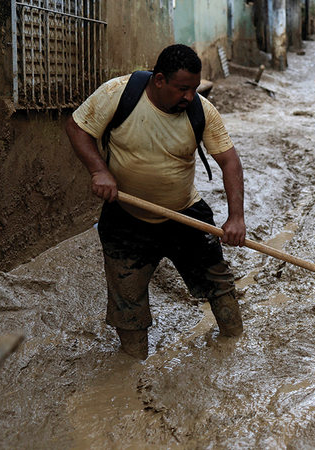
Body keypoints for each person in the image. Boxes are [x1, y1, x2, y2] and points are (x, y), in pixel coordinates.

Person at [65, 44, 246, 359]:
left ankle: (235, 350)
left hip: (185, 215)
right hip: (125, 220)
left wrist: (236, 218)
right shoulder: (118, 94)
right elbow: (77, 127)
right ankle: (134, 373)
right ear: (159, 80)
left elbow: (229, 162)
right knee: (128, 306)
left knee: (220, 287)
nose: (189, 96)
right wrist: (99, 171)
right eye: (182, 88)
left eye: (194, 88)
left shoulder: (201, 111)